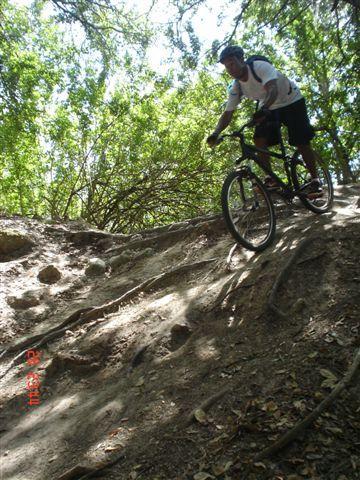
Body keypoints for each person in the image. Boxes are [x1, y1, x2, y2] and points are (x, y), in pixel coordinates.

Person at [207, 45, 322, 194]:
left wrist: (264, 109)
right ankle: (271, 178)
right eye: (226, 66)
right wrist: (215, 133)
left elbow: (272, 90)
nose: (230, 68)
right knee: (259, 139)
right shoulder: (236, 86)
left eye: (232, 62)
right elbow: (228, 113)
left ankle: (315, 180)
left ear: (242, 59)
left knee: (301, 141)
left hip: (291, 101)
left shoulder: (259, 67)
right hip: (269, 107)